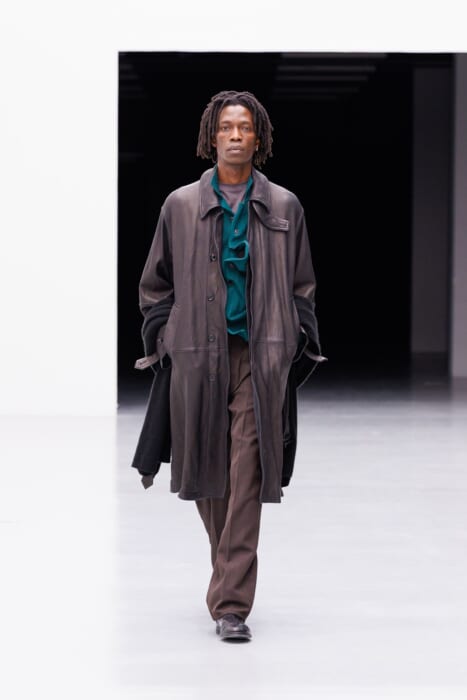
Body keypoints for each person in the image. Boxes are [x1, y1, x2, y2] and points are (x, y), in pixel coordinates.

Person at [132, 90, 326, 643]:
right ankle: (228, 574)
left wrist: (293, 338)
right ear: (211, 137)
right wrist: (167, 335)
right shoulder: (179, 205)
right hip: (197, 356)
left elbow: (302, 285)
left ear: (258, 138)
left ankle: (232, 606)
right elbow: (155, 285)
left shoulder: (284, 205)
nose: (236, 135)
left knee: (248, 471)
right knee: (206, 473)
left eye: (245, 127)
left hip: (259, 358)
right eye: (226, 127)